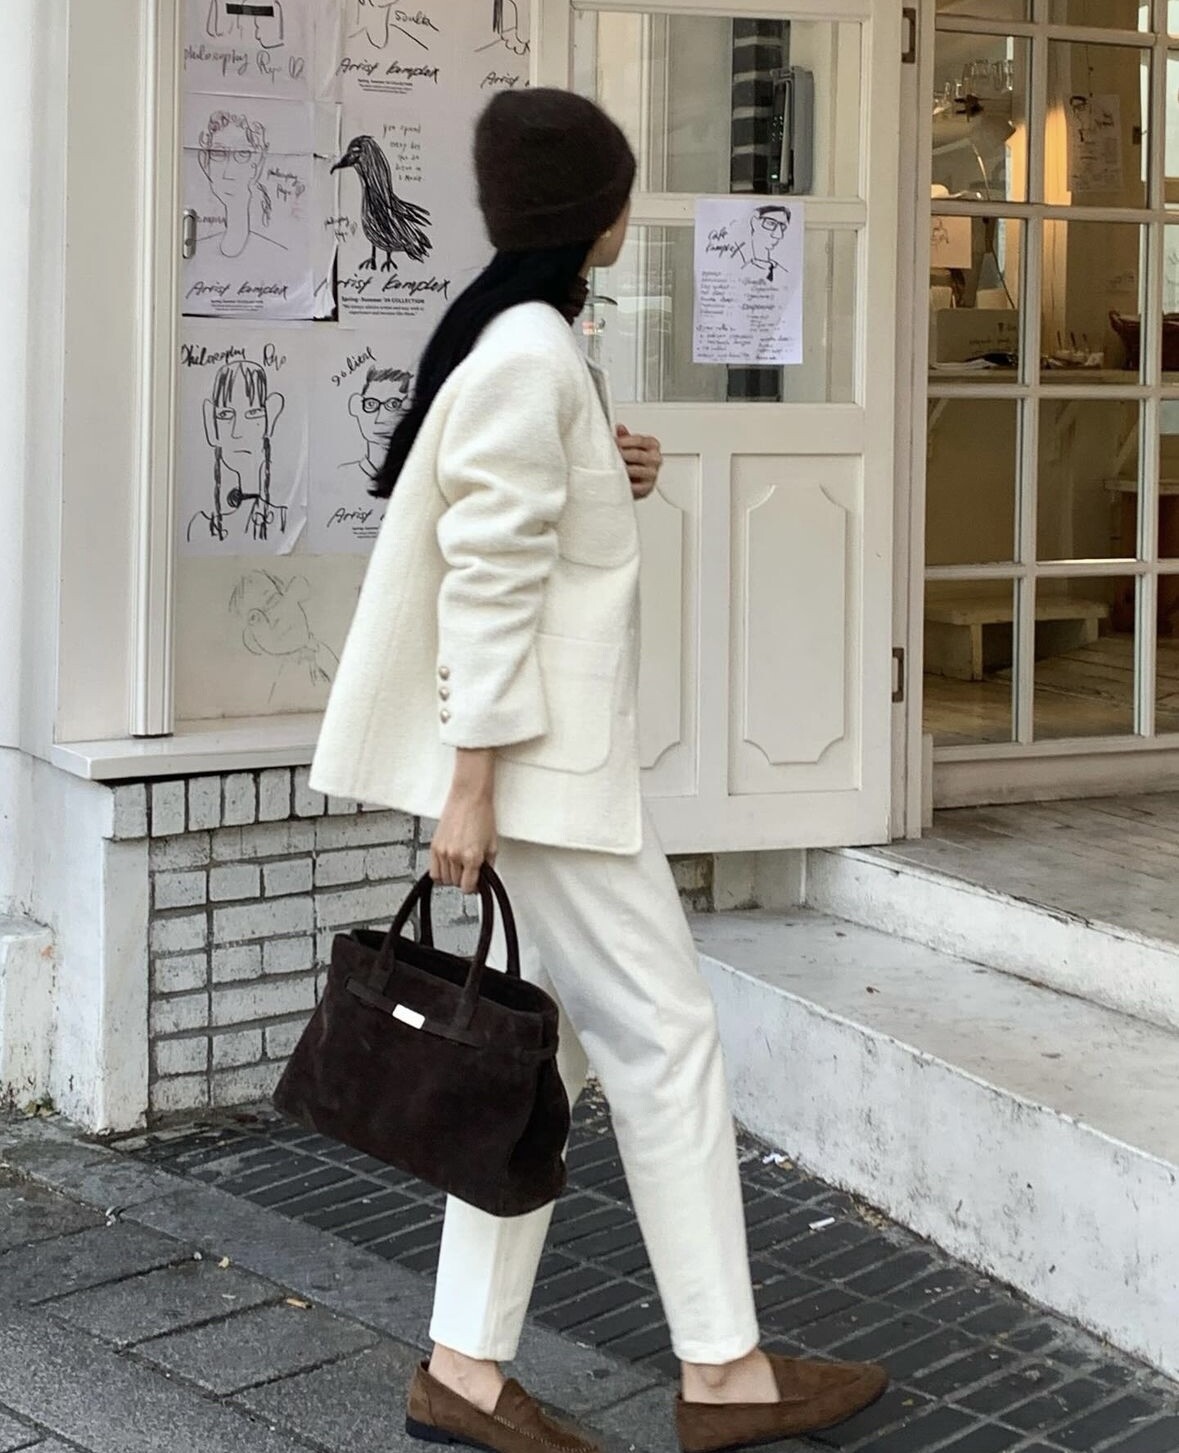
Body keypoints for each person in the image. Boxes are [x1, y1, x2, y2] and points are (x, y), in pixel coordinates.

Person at [309, 88, 888, 1453]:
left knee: (545, 1056)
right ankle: (723, 1373)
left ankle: (464, 1367)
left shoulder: (528, 340)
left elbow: (519, 522)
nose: (630, 210)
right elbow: (488, 581)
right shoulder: (528, 351)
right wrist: (470, 785)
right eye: (623, 190)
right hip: (543, 778)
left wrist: (602, 465)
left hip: (541, 771)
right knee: (669, 1041)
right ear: (598, 212)